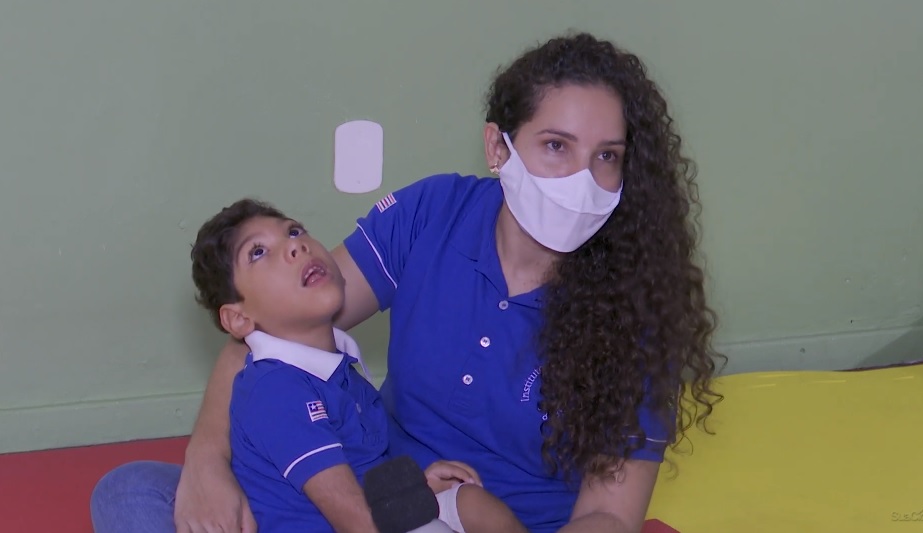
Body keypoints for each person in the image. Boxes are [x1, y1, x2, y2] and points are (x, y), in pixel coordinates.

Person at [91, 31, 723, 533]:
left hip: (501, 523)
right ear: (498, 148)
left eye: (606, 156)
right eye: (556, 146)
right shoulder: (434, 213)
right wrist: (206, 463)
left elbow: (609, 514)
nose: (581, 179)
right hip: (378, 487)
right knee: (132, 492)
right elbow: (274, 334)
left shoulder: (637, 305)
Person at [156, 198, 525, 533]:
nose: (296, 246)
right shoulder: (275, 390)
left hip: (371, 513)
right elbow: (353, 519)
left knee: (473, 505)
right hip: (355, 523)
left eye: (294, 231)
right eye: (258, 252)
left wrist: (418, 489)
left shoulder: (343, 373)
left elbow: (370, 477)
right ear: (238, 319)